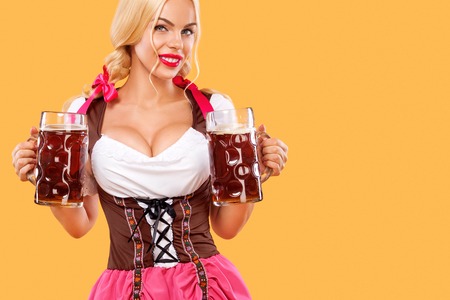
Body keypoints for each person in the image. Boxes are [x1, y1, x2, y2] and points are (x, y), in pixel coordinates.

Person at [11, 0, 288, 299]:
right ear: (131, 30)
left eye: (187, 31)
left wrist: (255, 171)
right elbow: (79, 226)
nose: (177, 43)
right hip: (124, 289)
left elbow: (227, 227)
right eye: (161, 27)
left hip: (205, 286)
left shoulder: (213, 111)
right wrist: (43, 178)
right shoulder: (86, 115)